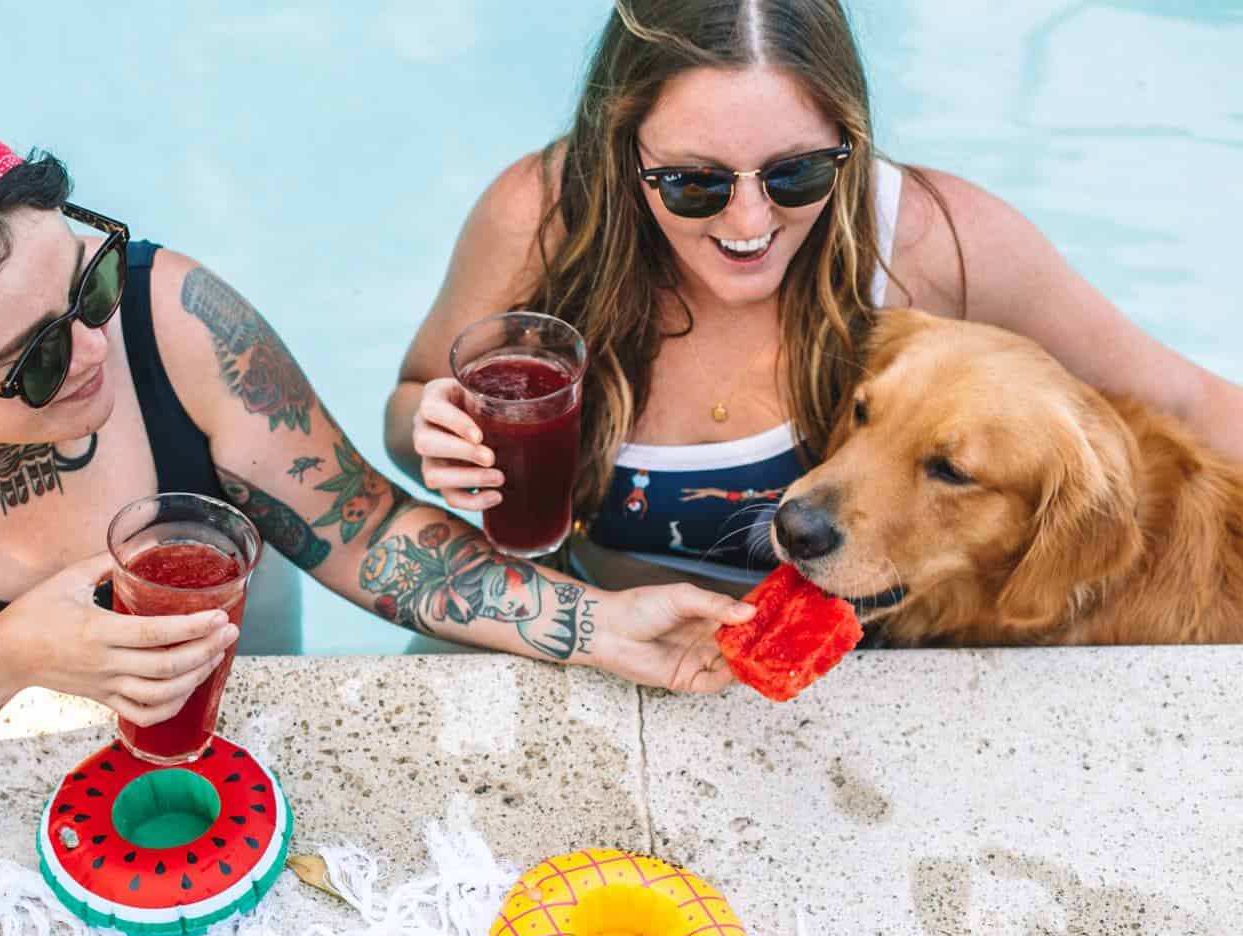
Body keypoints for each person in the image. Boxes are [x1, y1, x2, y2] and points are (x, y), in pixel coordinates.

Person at [0, 97, 756, 878]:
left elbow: (363, 524)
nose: (90, 351)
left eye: (89, 280)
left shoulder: (174, 315)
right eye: (31, 362)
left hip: (226, 749)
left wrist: (598, 624)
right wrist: (7, 654)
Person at [385, 0, 1243, 595]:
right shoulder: (540, 215)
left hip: (841, 685)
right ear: (624, 150)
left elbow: (1180, 398)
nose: (751, 222)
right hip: (584, 630)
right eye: (692, 183)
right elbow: (414, 398)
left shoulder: (930, 236)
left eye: (797, 172)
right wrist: (432, 433)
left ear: (849, 140)